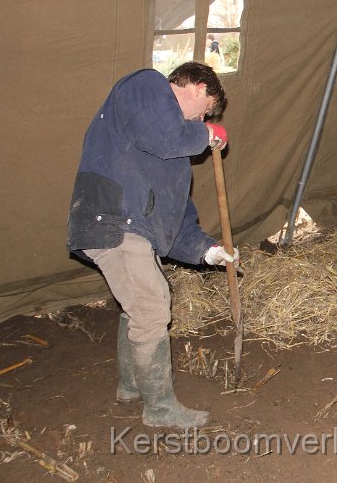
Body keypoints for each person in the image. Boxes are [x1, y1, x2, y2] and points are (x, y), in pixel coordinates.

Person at [66, 62, 238, 429]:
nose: (204, 115)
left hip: (133, 228)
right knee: (151, 306)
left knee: (139, 306)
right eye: (207, 106)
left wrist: (209, 251)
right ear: (193, 85)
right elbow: (164, 135)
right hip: (114, 217)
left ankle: (131, 387)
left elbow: (173, 223)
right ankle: (159, 408)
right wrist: (206, 133)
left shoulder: (170, 162)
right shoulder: (146, 86)